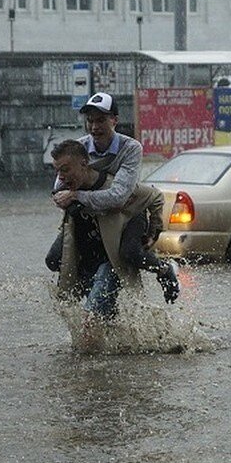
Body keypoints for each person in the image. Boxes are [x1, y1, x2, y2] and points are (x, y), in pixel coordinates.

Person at [52, 92, 179, 302]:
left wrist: (76, 195)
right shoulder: (79, 147)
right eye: (90, 121)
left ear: (115, 121)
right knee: (56, 259)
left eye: (101, 120)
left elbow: (119, 196)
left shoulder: (130, 148)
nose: (94, 127)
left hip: (129, 211)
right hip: (95, 215)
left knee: (129, 254)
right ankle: (93, 286)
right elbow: (59, 186)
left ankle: (165, 269)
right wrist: (61, 197)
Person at [45, 140, 165, 333]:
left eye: (66, 170)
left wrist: (155, 227)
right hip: (90, 256)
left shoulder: (115, 190)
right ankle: (116, 332)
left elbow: (154, 195)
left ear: (84, 163)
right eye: (58, 171)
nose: (61, 177)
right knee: (53, 260)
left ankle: (165, 271)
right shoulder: (67, 192)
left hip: (111, 260)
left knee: (90, 323)